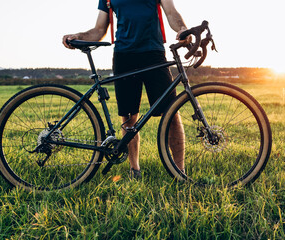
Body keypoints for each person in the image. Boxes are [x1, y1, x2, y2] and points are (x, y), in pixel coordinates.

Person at [63, 0, 190, 179]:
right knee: (129, 118)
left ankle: (179, 172)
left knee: (171, 114)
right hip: (124, 56)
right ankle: (134, 170)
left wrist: (182, 29)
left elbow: (171, 13)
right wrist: (79, 35)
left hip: (153, 53)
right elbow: (99, 29)